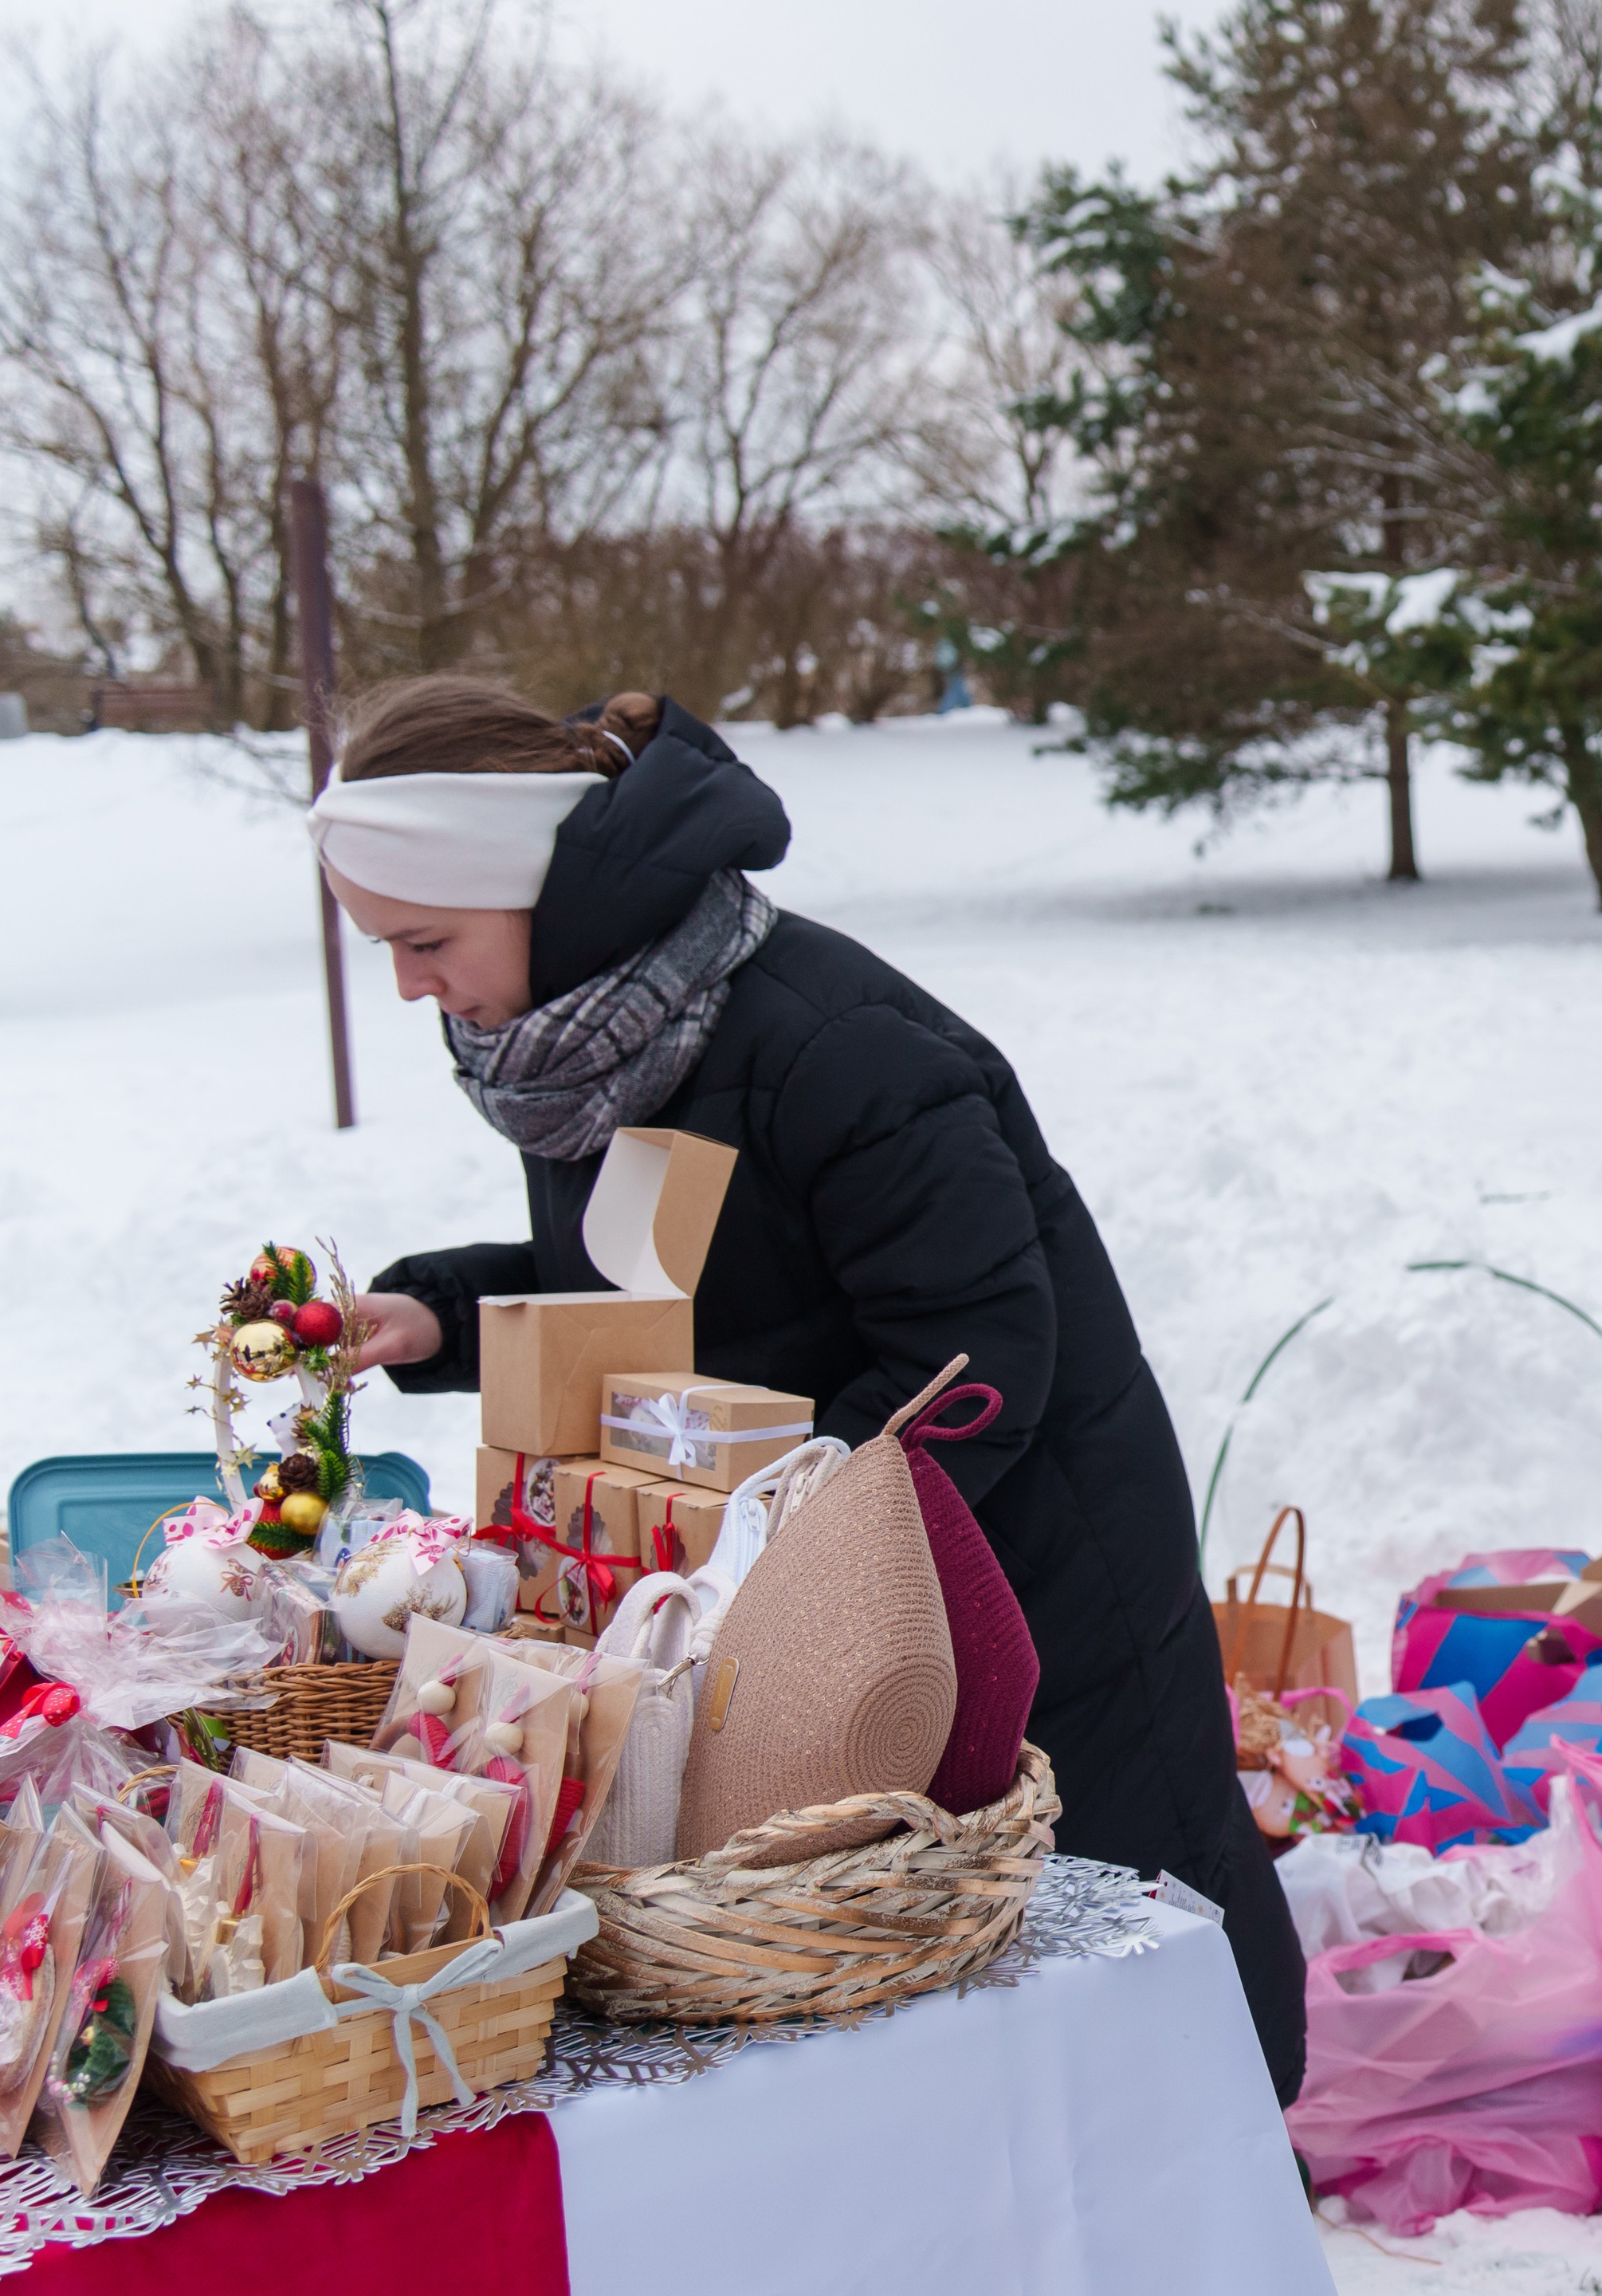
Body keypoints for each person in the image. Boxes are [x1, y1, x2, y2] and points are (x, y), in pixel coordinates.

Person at [307, 679, 1307, 2104]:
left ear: (539, 891)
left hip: (1023, 1550)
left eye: (426, 941)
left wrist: (760, 1549)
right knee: (903, 1931)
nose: (413, 988)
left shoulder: (840, 1049)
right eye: (386, 950)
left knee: (1112, 1896)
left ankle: (1223, 2158)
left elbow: (973, 1361)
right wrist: (443, 1315)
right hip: (811, 1559)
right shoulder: (589, 1042)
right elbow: (649, 1281)